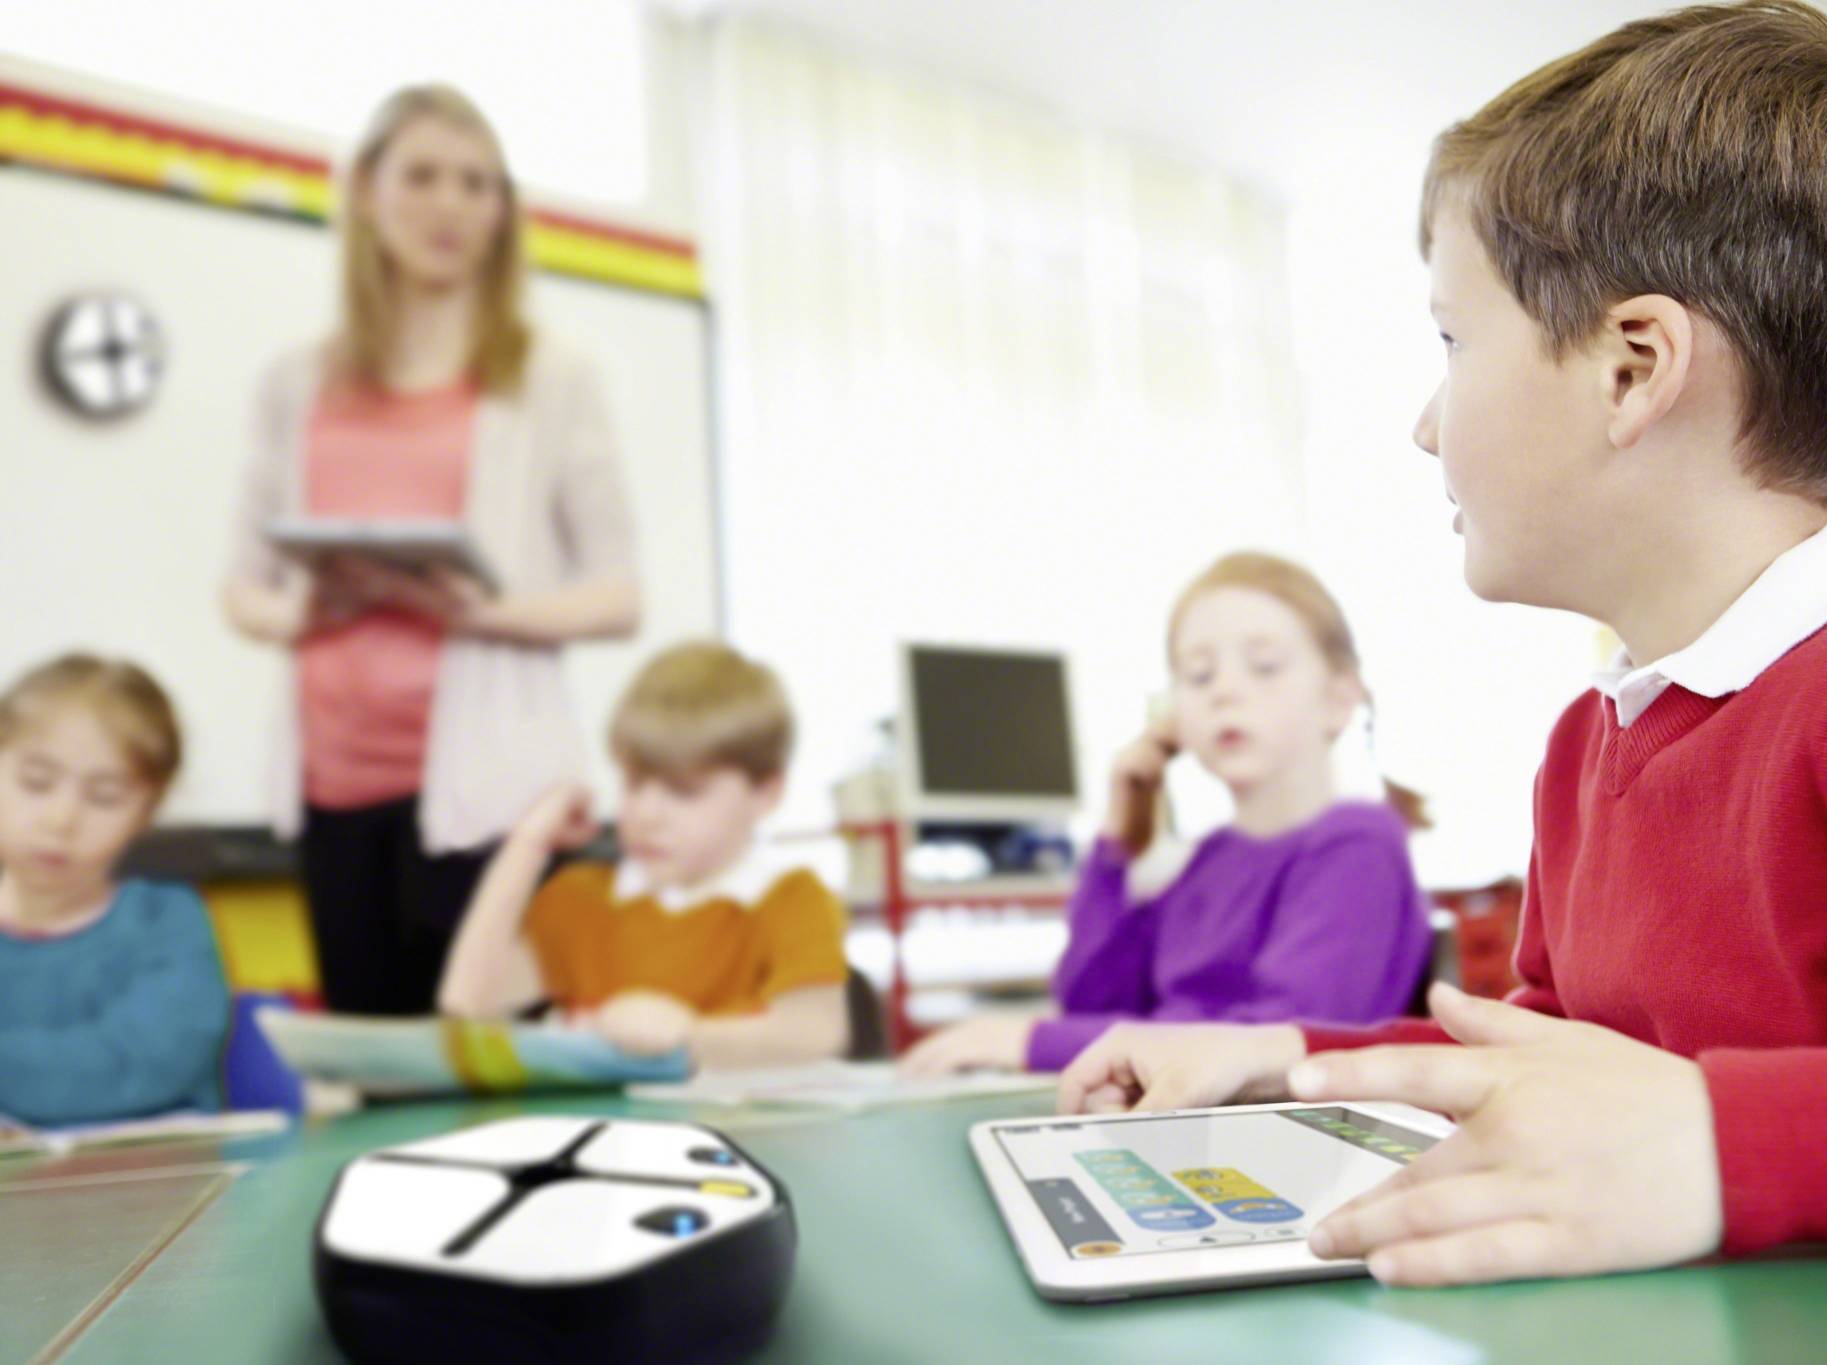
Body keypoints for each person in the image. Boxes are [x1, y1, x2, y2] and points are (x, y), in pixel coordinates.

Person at [1056, 0, 1827, 1285]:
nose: (1424, 424)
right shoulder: (1590, 745)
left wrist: (1725, 1137)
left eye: (1451, 341)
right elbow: (1549, 1057)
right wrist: (1288, 1058)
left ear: (1631, 368)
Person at [221, 85, 640, 1014]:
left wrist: (481, 610)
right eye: (422, 176)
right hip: (333, 789)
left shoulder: (551, 374)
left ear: (502, 212)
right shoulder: (296, 379)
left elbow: (619, 594)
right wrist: (307, 609)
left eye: (476, 184)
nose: (450, 205)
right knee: (378, 1073)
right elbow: (242, 590)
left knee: (491, 1064)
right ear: (367, 191)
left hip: (491, 793)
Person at [903, 552, 1430, 1076]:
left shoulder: (1358, 844)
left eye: (1264, 666)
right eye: (1199, 675)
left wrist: (1034, 1040)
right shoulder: (1208, 859)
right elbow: (1090, 1003)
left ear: (1339, 698)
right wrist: (1116, 845)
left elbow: (1281, 1040)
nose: (1225, 690)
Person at [438, 642, 851, 1067]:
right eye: (633, 784)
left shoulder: (791, 898)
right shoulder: (579, 899)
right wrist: (528, 841)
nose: (645, 814)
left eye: (683, 791)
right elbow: (467, 1004)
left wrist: (689, 1035)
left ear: (766, 793)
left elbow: (815, 1034)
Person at [0, 656, 230, 1126]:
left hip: (155, 1186)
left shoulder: (168, 920)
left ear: (147, 811)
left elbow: (143, 1064)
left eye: (104, 796)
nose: (61, 820)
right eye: (36, 783)